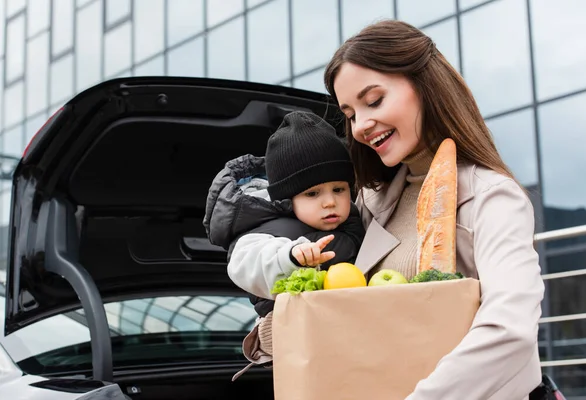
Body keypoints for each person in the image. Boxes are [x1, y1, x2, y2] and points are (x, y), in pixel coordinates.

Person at [322, 19, 546, 400]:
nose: (361, 125)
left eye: (373, 101)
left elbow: (509, 330)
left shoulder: (493, 197)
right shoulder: (368, 202)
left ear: (425, 87)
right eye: (351, 113)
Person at [204, 110, 365, 377]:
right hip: (300, 355)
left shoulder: (355, 220)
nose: (329, 201)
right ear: (287, 199)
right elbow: (245, 264)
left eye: (339, 189)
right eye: (312, 193)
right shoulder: (264, 230)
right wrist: (291, 256)